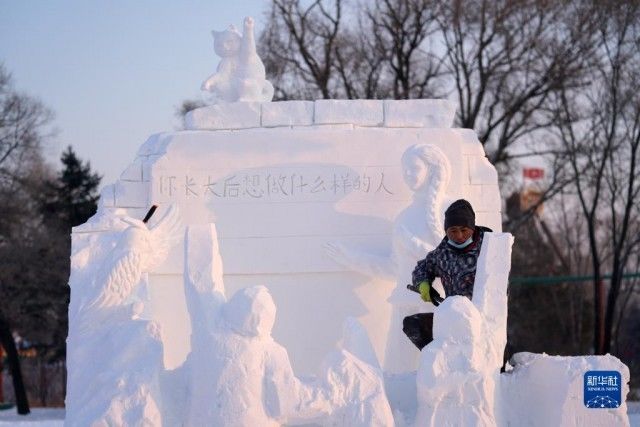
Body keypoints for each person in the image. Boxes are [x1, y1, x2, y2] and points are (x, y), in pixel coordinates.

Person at [403, 199, 492, 350]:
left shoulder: (489, 247)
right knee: (413, 324)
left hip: (484, 323)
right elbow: (422, 268)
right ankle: (441, 362)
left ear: (472, 227)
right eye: (453, 231)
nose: (459, 236)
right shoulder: (443, 253)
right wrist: (423, 284)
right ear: (446, 231)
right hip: (453, 318)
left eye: (464, 230)